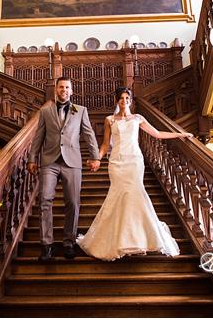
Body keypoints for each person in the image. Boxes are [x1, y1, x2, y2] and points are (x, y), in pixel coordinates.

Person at [76, 87, 192, 261]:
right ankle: (119, 240)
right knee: (118, 196)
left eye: (127, 98)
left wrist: (180, 134)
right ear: (117, 101)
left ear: (131, 100)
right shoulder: (109, 120)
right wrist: (97, 159)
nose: (124, 101)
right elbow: (106, 145)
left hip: (134, 161)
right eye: (121, 98)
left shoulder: (138, 118)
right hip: (116, 162)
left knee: (136, 195)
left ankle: (140, 239)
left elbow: (157, 134)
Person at [26, 77, 101, 261]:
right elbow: (38, 137)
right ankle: (47, 246)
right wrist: (32, 158)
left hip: (72, 162)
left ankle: (69, 242)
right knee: (44, 199)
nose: (64, 90)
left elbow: (89, 134)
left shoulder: (80, 110)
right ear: (56, 90)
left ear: (71, 91)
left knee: (73, 203)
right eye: (61, 87)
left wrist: (95, 156)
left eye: (67, 87)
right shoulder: (45, 111)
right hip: (49, 161)